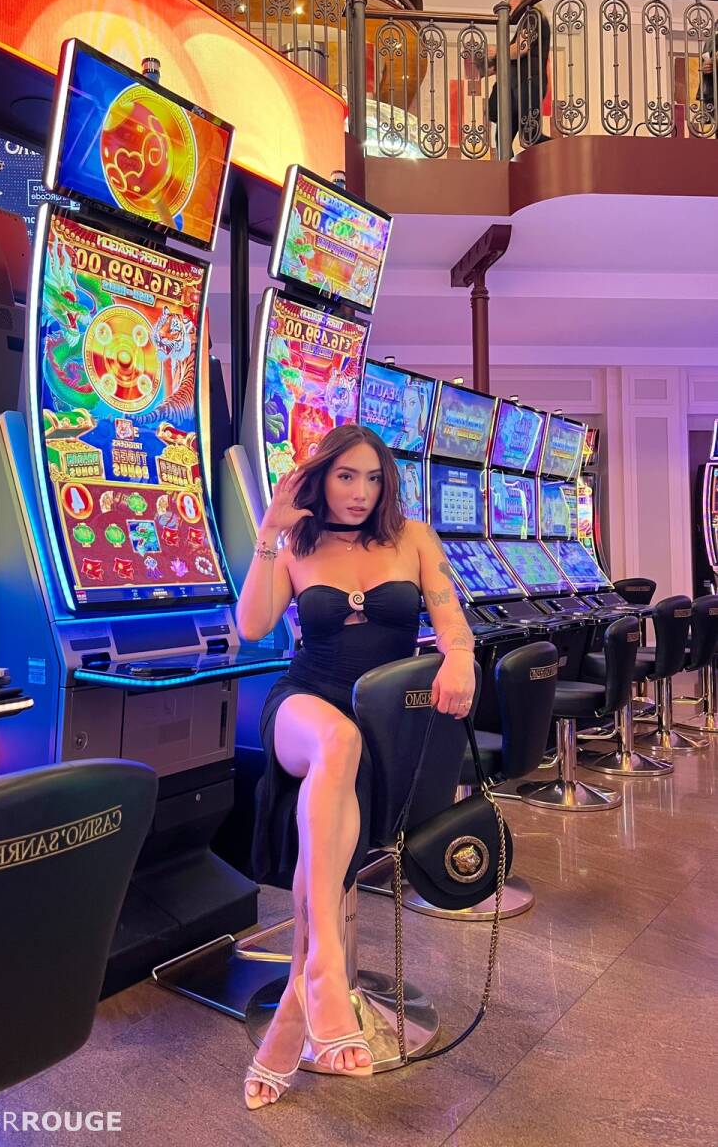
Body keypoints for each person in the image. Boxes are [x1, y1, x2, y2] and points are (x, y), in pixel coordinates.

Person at [236, 424, 476, 1109]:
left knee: (344, 755)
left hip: (385, 718)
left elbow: (451, 621)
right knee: (335, 742)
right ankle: (327, 970)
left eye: (373, 478)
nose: (360, 491)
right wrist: (268, 533)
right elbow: (252, 625)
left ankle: (299, 1000)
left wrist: (459, 657)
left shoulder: (414, 538)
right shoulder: (296, 544)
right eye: (346, 476)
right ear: (322, 478)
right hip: (303, 705)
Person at [488, 0, 551, 154]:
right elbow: (513, 54)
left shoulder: (533, 15)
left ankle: (565, 149)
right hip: (518, 84)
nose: (508, 4)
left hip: (527, 82)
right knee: (503, 137)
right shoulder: (530, 18)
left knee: (530, 136)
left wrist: (498, 50)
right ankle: (508, 169)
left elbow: (521, 48)